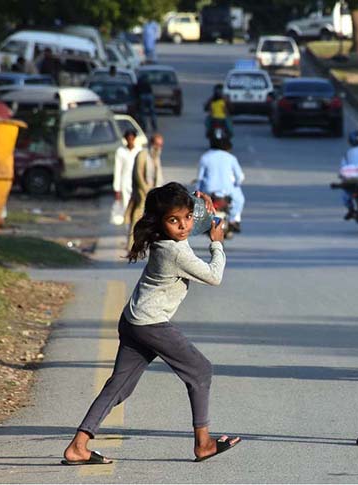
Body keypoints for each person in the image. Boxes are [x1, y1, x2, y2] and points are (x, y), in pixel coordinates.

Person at [62, 183, 240, 465]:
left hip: (133, 320)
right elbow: (214, 276)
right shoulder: (176, 253)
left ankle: (78, 446)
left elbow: (184, 223)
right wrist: (216, 243)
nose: (183, 226)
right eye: (174, 220)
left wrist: (200, 204)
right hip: (152, 325)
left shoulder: (164, 238)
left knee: (119, 387)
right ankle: (203, 443)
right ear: (160, 222)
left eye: (187, 217)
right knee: (201, 370)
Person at [196, 129, 245, 233]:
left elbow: (200, 178)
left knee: (199, 201)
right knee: (240, 199)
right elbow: (240, 177)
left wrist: (198, 192)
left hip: (209, 190)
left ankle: (202, 222)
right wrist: (237, 184)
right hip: (227, 190)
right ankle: (233, 220)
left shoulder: (205, 157)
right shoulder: (231, 158)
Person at [126, 133, 164, 243]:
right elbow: (138, 174)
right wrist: (146, 190)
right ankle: (131, 243)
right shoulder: (143, 154)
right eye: (157, 144)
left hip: (152, 191)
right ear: (151, 143)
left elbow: (158, 176)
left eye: (161, 145)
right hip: (142, 191)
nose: (159, 147)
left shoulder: (155, 156)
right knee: (137, 216)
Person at [113, 130, 141, 214]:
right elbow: (117, 170)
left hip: (137, 182)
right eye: (128, 139)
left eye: (132, 139)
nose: (130, 141)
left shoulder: (139, 150)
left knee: (138, 206)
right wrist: (117, 189)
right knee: (126, 207)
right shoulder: (120, 151)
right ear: (125, 139)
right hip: (125, 182)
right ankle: (128, 226)